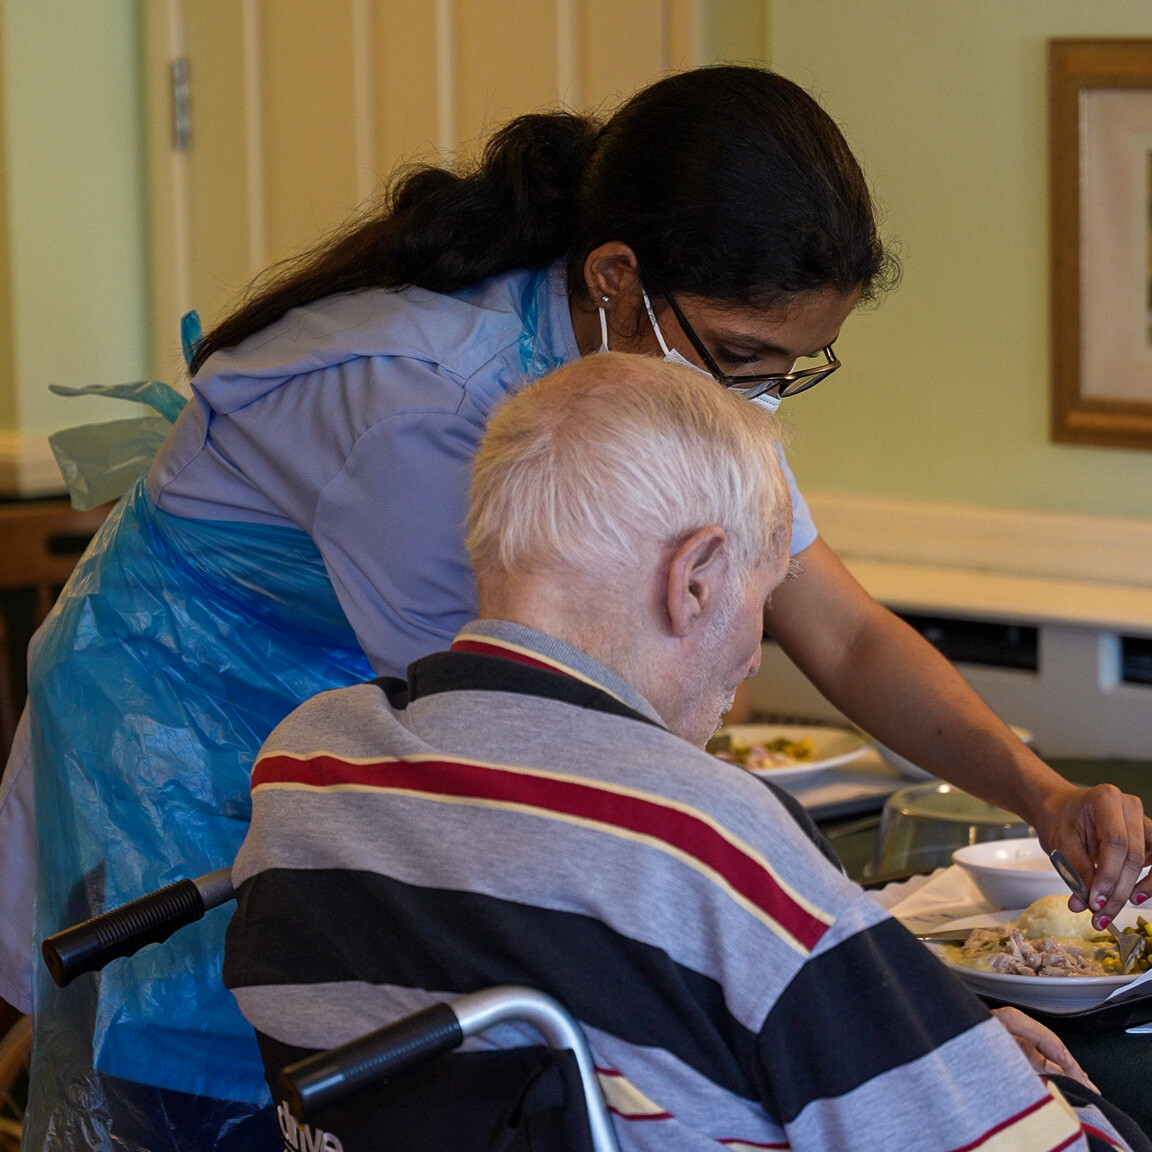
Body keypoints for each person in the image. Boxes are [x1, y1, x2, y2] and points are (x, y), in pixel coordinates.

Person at [2, 64, 1149, 1150]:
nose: (758, 397)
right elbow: (525, 777)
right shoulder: (431, 406)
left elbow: (838, 624)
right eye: (747, 356)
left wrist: (1039, 793)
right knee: (236, 1063)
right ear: (614, 278)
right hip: (178, 721)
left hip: (343, 724)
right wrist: (845, 982)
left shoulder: (676, 372)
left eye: (790, 370)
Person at [224, 354, 1146, 1152]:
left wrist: (920, 1039)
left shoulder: (303, 765)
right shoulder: (705, 837)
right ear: (696, 577)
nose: (753, 653)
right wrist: (992, 1067)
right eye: (766, 593)